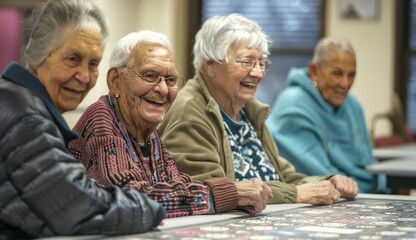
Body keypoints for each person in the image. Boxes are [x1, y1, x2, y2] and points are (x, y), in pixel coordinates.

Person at [0, 1, 164, 239]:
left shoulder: (16, 99)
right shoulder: (26, 116)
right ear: (37, 56)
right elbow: (77, 206)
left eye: (94, 63)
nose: (85, 77)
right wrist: (149, 205)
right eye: (73, 59)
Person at [158, 13, 358, 206]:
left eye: (262, 63)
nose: (258, 73)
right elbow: (211, 191)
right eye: (247, 62)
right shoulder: (189, 112)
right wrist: (294, 194)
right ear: (210, 65)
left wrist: (326, 181)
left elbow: (282, 174)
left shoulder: (248, 112)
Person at [68, 30, 272, 218]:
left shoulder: (147, 131)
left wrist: (234, 195)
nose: (164, 89)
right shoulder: (102, 118)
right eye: (150, 76)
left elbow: (174, 182)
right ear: (115, 81)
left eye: (171, 79)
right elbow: (130, 198)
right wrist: (225, 194)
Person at [266, 37, 388, 193]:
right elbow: (322, 177)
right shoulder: (294, 104)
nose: (345, 84)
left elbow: (368, 162)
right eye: (337, 73)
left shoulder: (353, 105)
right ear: (314, 71)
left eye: (351, 75)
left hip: (365, 193)